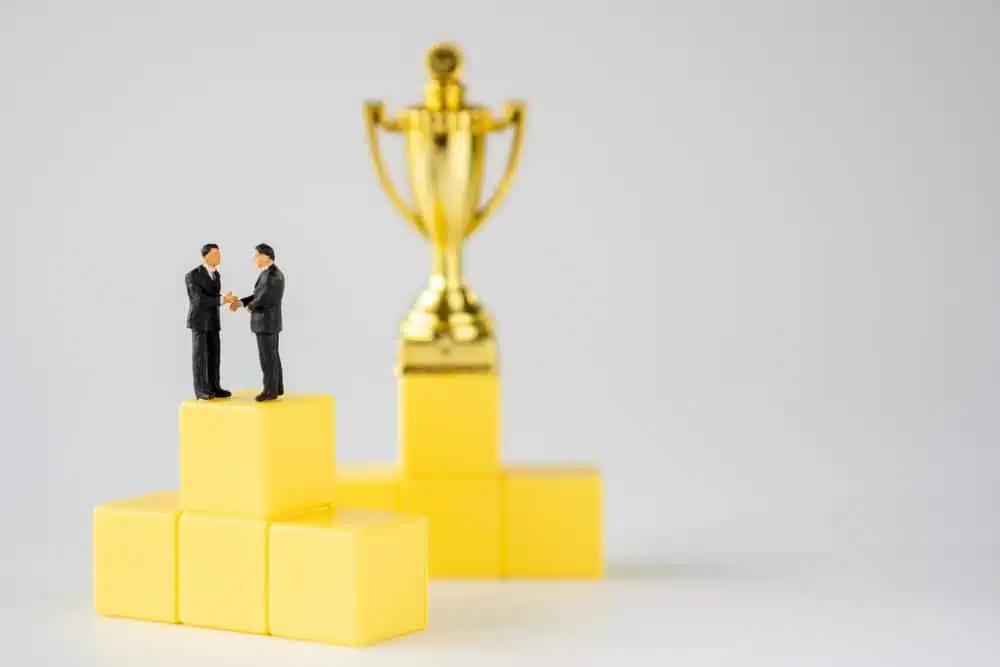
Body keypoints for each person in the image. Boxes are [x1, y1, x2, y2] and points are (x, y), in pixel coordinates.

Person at [231, 243, 285, 401]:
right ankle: (277, 387)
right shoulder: (267, 274)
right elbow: (257, 294)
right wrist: (242, 302)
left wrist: (251, 306)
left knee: (267, 357)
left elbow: (265, 298)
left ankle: (270, 390)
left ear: (265, 256)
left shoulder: (273, 275)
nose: (254, 259)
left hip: (266, 322)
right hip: (268, 322)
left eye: (256, 256)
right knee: (272, 355)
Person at [185, 243, 239, 399]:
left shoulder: (216, 275)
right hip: (200, 322)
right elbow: (199, 300)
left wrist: (224, 299)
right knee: (201, 356)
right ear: (206, 255)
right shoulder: (193, 275)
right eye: (216, 254)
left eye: (219, 254)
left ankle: (215, 386)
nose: (219, 257)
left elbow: (213, 298)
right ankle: (201, 389)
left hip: (213, 322)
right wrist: (223, 299)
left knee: (214, 355)